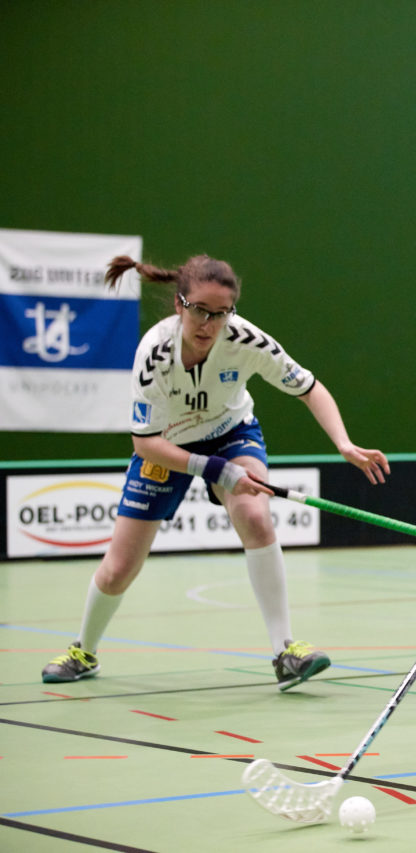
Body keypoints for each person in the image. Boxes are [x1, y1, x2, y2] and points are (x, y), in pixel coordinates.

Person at [41, 254, 389, 690]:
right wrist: (216, 471)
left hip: (231, 432)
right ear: (179, 305)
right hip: (166, 446)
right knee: (119, 569)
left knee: (255, 513)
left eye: (220, 313)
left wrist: (343, 442)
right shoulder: (154, 353)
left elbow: (309, 388)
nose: (208, 323)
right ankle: (83, 651)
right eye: (200, 310)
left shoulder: (246, 340)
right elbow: (144, 442)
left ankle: (286, 651)